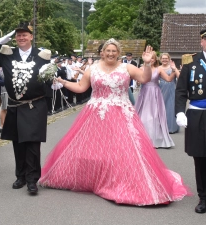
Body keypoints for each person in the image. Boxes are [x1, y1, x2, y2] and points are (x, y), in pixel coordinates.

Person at [39, 39, 189, 205]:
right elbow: (81, 87)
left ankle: (120, 180)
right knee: (93, 148)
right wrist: (63, 82)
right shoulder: (92, 69)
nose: (110, 53)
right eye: (107, 51)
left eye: (113, 51)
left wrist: (146, 64)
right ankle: (94, 177)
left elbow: (144, 79)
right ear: (102, 52)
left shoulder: (127, 67)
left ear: (118, 53)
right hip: (95, 113)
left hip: (121, 112)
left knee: (124, 148)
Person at [0, 21, 51, 195]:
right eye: (18, 35)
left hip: (35, 104)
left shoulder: (42, 55)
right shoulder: (8, 54)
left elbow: (48, 77)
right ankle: (20, 176)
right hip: (15, 104)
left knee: (33, 144)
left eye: (24, 35)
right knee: (18, 143)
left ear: (31, 37)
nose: (21, 38)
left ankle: (32, 179)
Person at [175, 28, 206, 220]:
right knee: (200, 159)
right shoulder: (189, 62)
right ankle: (204, 199)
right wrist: (179, 111)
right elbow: (180, 91)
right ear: (201, 42)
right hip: (196, 114)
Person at [135, 51, 175, 148]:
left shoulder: (159, 69)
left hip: (155, 93)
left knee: (155, 116)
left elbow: (169, 79)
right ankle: (143, 139)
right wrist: (138, 83)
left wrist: (174, 70)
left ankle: (156, 139)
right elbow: (138, 82)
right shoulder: (141, 68)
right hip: (144, 93)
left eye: (153, 58)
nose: (151, 60)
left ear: (155, 59)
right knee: (143, 115)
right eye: (150, 58)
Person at [159, 53, 180, 134]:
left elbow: (180, 77)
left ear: (169, 59)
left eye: (166, 58)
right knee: (161, 108)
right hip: (161, 89)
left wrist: (174, 69)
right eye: (163, 58)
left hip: (171, 89)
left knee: (171, 107)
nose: (164, 60)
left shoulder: (172, 68)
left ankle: (171, 127)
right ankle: (161, 127)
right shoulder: (158, 68)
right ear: (160, 59)